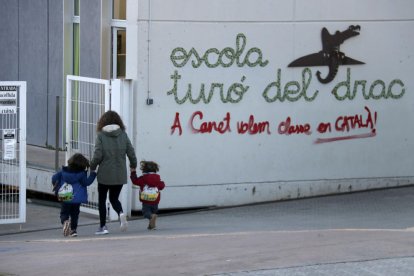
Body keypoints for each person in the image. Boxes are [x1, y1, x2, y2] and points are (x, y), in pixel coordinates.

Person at [90, 110, 137, 235]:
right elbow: (131, 152)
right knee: (114, 198)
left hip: (104, 174)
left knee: (102, 199)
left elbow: (97, 154)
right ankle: (121, 213)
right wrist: (133, 166)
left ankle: (103, 226)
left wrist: (92, 166)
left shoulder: (101, 135)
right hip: (120, 173)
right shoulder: (123, 135)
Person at [52, 153, 96, 237]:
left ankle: (65, 221)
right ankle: (73, 230)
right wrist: (93, 174)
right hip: (76, 199)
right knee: (75, 214)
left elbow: (54, 178)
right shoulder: (82, 174)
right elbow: (86, 182)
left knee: (64, 213)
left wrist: (56, 185)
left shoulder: (63, 172)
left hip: (65, 197)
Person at [130, 161, 165, 230]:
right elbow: (162, 186)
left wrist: (133, 172)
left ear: (144, 170)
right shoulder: (157, 179)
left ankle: (151, 218)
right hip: (155, 200)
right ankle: (152, 226)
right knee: (153, 213)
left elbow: (135, 181)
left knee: (146, 213)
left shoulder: (143, 178)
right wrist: (162, 183)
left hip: (146, 200)